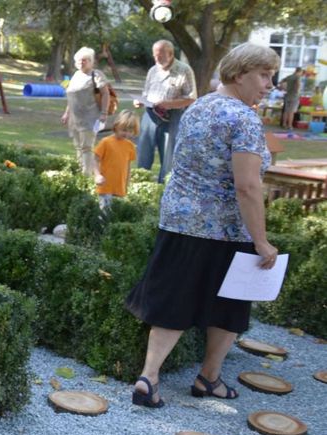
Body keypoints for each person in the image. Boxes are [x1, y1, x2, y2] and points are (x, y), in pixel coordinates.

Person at [125, 43, 280, 408]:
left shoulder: (200, 106)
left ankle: (149, 376)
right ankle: (208, 379)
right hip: (224, 228)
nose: (269, 84)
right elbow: (247, 185)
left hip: (180, 219)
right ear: (240, 73)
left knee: (174, 298)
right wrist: (261, 241)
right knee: (230, 304)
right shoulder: (243, 118)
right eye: (264, 75)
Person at [134, 40, 197, 183]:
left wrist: (169, 104)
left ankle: (163, 189)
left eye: (160, 56)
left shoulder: (184, 70)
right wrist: (140, 101)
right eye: (155, 56)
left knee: (168, 157)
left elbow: (192, 98)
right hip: (149, 115)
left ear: (171, 54)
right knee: (143, 153)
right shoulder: (153, 70)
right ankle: (140, 185)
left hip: (172, 117)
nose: (157, 59)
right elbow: (146, 93)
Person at [61, 47, 110, 176]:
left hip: (90, 117)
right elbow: (71, 96)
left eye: (84, 60)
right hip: (74, 117)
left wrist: (104, 113)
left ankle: (86, 176)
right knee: (78, 146)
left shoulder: (96, 75)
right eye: (78, 60)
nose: (80, 63)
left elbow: (105, 94)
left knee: (87, 147)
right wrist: (67, 113)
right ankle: (80, 171)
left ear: (91, 61)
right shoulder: (76, 75)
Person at [93, 109, 139, 212]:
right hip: (106, 187)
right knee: (105, 214)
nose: (126, 133)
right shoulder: (106, 142)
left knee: (116, 215)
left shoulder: (130, 146)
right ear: (116, 126)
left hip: (120, 189)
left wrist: (127, 184)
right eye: (124, 129)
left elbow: (128, 166)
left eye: (130, 131)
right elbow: (95, 160)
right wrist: (97, 175)